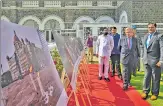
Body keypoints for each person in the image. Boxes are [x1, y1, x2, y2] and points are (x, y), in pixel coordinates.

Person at [141, 23, 163, 100]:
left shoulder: (159, 36)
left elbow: (162, 48)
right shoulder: (145, 36)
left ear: (155, 27)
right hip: (146, 60)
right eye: (149, 27)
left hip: (156, 61)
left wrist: (161, 60)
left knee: (155, 78)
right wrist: (142, 57)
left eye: (152, 27)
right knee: (146, 77)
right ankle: (145, 91)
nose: (150, 28)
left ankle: (155, 93)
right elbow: (143, 47)